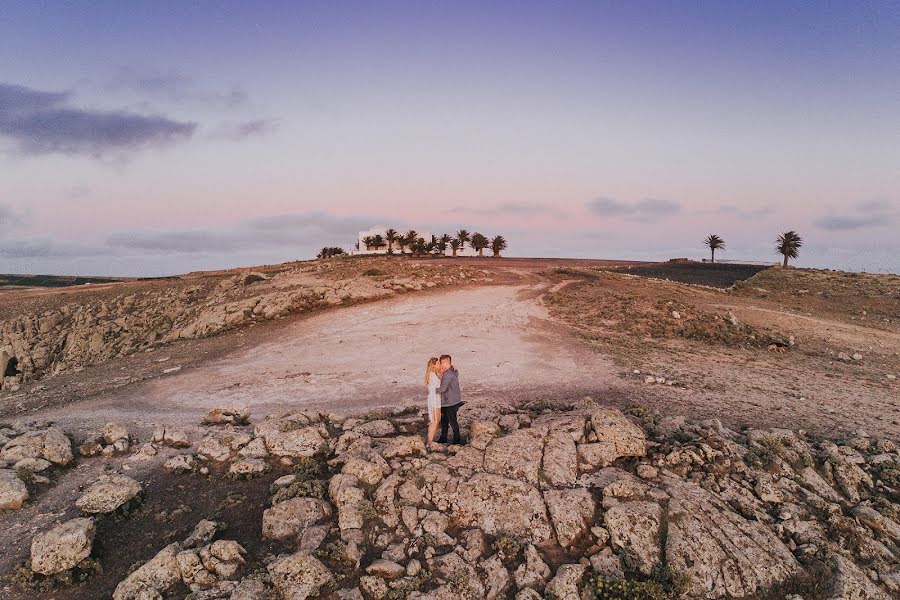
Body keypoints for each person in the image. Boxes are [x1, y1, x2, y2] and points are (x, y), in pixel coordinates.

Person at [435, 354, 462, 444]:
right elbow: (456, 372)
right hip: (451, 401)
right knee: (445, 421)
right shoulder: (453, 371)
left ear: (447, 362)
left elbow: (443, 389)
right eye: (441, 362)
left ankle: (457, 440)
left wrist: (432, 390)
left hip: (450, 402)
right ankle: (443, 438)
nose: (442, 364)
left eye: (443, 363)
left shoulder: (448, 375)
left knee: (452, 421)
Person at [424, 357, 442, 447]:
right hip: (434, 399)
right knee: (434, 421)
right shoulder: (432, 376)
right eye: (438, 363)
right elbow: (440, 388)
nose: (440, 365)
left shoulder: (432, 374)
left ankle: (429, 440)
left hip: (434, 399)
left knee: (434, 421)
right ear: (434, 365)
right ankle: (429, 442)